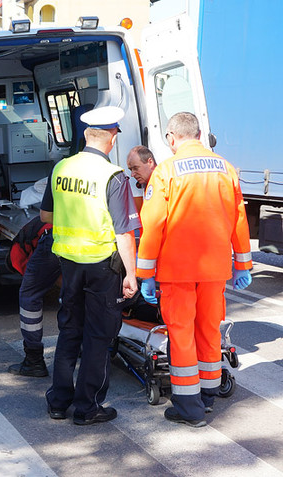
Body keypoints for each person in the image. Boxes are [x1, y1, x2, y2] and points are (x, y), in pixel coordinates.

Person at [137, 112, 252, 427]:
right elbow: (239, 220)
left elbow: (154, 225)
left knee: (182, 334)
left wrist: (145, 273)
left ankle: (189, 408)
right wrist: (242, 265)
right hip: (215, 268)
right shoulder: (225, 169)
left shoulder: (166, 172)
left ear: (172, 138)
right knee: (209, 329)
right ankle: (207, 395)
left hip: (178, 270)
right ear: (200, 134)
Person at [40, 106, 140, 425]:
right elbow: (123, 232)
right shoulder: (113, 176)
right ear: (112, 138)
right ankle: (87, 408)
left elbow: (47, 216)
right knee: (98, 336)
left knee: (70, 329)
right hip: (101, 265)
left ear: (85, 136)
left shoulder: (61, 168)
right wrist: (132, 276)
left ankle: (58, 401)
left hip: (68, 263)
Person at [6, 216, 61, 377]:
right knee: (74, 291)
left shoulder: (16, 254)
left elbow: (34, 281)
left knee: (29, 295)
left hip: (53, 237)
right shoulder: (27, 235)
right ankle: (82, 345)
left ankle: (34, 360)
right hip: (76, 233)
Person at [126, 145, 157, 213]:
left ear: (150, 162)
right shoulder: (146, 183)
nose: (132, 174)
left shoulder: (165, 183)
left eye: (136, 168)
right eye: (131, 170)